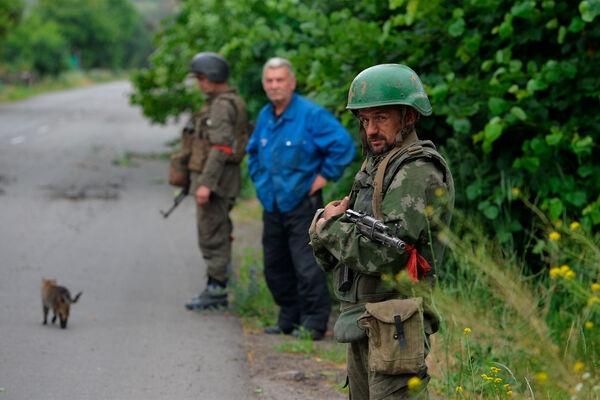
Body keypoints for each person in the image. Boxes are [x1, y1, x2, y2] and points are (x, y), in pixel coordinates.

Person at [309, 64, 455, 398]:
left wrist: (329, 227)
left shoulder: (417, 170)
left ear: (408, 117)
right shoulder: (379, 164)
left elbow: (389, 253)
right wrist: (326, 229)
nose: (371, 129)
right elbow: (344, 251)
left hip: (395, 321)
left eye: (381, 117)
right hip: (365, 318)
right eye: (364, 120)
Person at [246, 57, 355, 340]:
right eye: (269, 81)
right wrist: (260, 182)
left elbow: (343, 145)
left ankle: (314, 323)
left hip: (300, 204)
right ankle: (288, 319)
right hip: (272, 204)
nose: (274, 86)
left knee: (306, 267)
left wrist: (322, 177)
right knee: (275, 266)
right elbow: (253, 152)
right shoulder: (265, 116)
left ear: (292, 83)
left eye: (280, 80)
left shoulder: (310, 114)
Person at [178, 52, 248, 310]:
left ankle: (216, 289)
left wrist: (205, 183)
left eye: (200, 78)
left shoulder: (220, 106)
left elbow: (221, 148)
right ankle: (216, 283)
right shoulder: (227, 101)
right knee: (216, 230)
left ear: (210, 78)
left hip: (217, 184)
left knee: (212, 234)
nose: (199, 83)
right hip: (222, 182)